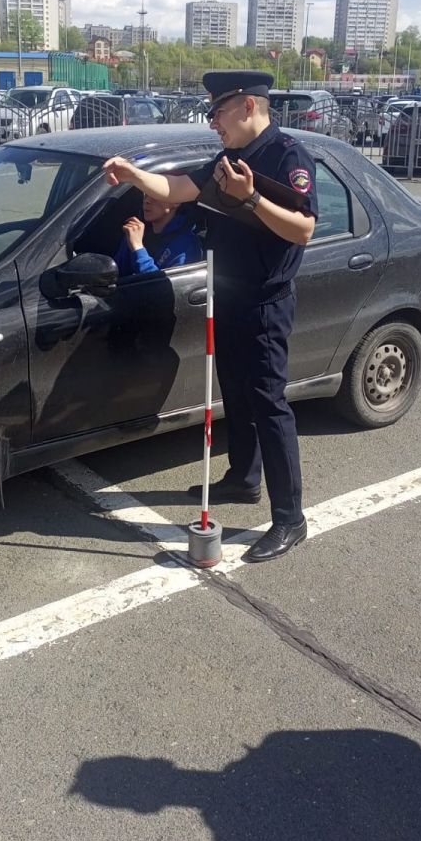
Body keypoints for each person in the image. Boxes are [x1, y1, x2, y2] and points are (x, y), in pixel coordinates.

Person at [103, 70, 318, 562]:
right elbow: (178, 187)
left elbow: (303, 229)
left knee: (269, 405)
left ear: (247, 106)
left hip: (265, 303)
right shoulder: (229, 157)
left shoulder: (287, 156)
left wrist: (252, 199)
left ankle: (291, 518)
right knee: (236, 392)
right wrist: (134, 175)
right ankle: (243, 478)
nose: (212, 122)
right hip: (229, 297)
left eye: (217, 112)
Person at [114, 195, 202, 278]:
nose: (146, 201)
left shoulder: (186, 244)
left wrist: (138, 249)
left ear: (176, 201)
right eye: (146, 194)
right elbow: (116, 275)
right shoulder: (137, 232)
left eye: (155, 195)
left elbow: (164, 286)